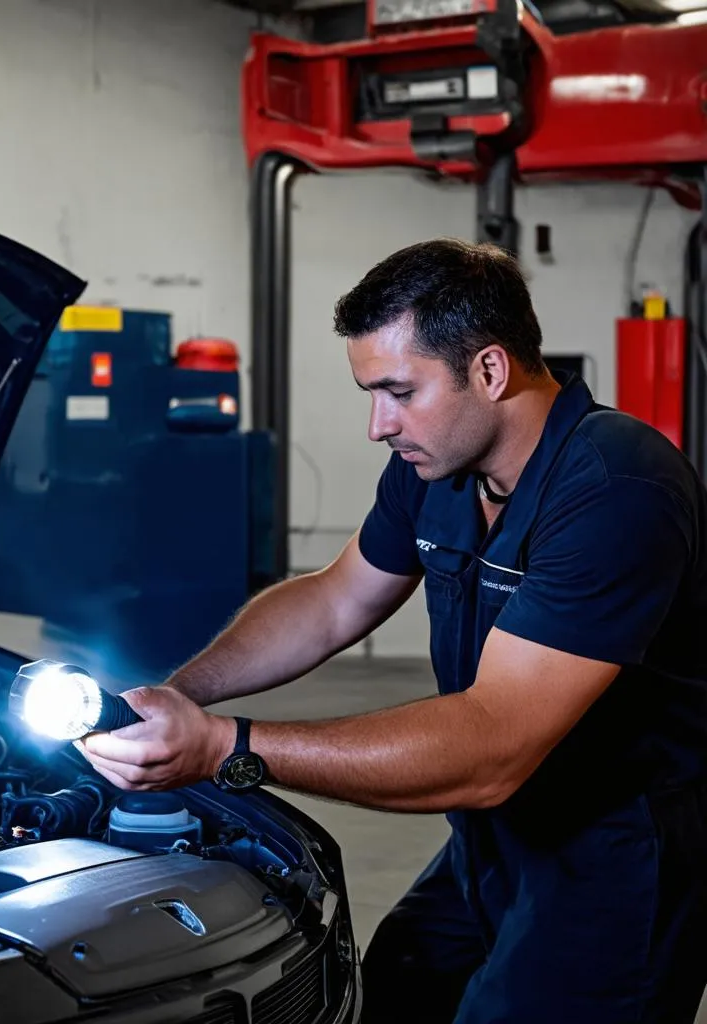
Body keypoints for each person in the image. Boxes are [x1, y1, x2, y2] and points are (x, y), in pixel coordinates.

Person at [76, 237, 707, 1023]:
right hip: (492, 842)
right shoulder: (437, 470)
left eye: (399, 392)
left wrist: (223, 748)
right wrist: (173, 696)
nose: (379, 425)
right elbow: (334, 600)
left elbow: (490, 747)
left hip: (615, 856)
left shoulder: (617, 486)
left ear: (489, 369)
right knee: (400, 984)